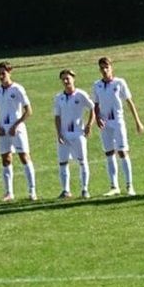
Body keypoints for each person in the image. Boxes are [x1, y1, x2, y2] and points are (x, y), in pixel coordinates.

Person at [93, 57, 144, 197]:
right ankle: (114, 186)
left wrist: (137, 121)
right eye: (102, 68)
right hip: (105, 123)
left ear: (111, 67)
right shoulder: (97, 85)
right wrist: (97, 118)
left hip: (118, 122)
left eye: (107, 67)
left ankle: (129, 185)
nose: (104, 70)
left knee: (122, 152)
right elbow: (96, 105)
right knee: (109, 153)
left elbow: (129, 102)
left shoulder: (119, 83)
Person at [0, 61, 36, 202]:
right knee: (6, 159)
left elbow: (29, 111)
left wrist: (17, 124)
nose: (1, 76)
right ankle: (9, 192)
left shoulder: (18, 89)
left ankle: (32, 191)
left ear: (10, 72)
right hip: (3, 129)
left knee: (24, 157)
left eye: (3, 73)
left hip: (17, 129)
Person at [53, 69, 95, 198]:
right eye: (63, 79)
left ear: (73, 79)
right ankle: (66, 190)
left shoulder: (80, 95)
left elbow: (92, 108)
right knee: (63, 162)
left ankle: (84, 189)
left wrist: (89, 125)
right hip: (64, 134)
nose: (66, 81)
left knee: (82, 161)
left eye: (68, 78)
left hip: (78, 134)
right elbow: (57, 116)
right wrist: (59, 133)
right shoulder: (58, 98)